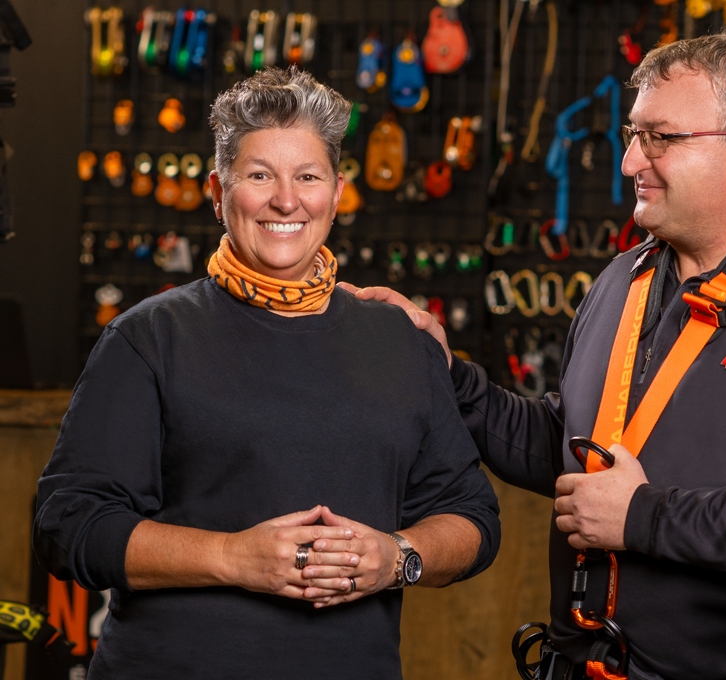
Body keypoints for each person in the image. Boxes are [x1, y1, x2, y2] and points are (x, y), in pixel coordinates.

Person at [349, 31, 726, 680]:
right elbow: (575, 446)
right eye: (631, 134)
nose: (629, 163)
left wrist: (643, 517)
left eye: (661, 138)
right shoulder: (627, 278)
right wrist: (441, 374)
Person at [33, 67, 499, 679]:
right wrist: (229, 557)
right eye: (260, 176)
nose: (287, 199)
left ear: (336, 192)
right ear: (218, 192)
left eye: (308, 176)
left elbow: (471, 515)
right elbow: (69, 525)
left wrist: (398, 557)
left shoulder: (397, 339)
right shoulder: (149, 337)